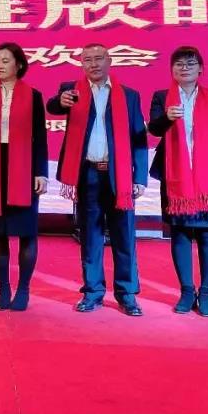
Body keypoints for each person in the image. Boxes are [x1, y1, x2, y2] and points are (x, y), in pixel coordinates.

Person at [48, 43, 149, 316]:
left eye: (98, 58)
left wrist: (140, 176)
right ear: (82, 64)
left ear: (109, 61)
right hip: (88, 174)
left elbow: (139, 139)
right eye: (87, 60)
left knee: (123, 235)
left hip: (120, 176)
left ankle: (127, 294)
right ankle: (92, 292)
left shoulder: (129, 96)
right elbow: (53, 106)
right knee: (90, 236)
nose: (93, 64)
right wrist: (60, 101)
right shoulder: (73, 92)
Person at [147, 46, 208, 317]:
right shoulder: (162, 97)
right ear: (172, 69)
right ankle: (186, 291)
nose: (184, 68)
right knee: (181, 234)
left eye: (190, 64)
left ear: (200, 69)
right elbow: (154, 129)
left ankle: (206, 292)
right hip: (175, 177)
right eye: (179, 64)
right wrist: (167, 118)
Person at [0, 43, 47, 312]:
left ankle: (23, 289)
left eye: (5, 60)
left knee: (27, 231)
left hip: (24, 166)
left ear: (19, 65)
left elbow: (40, 137)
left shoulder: (33, 96)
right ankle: (3, 287)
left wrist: (41, 172)